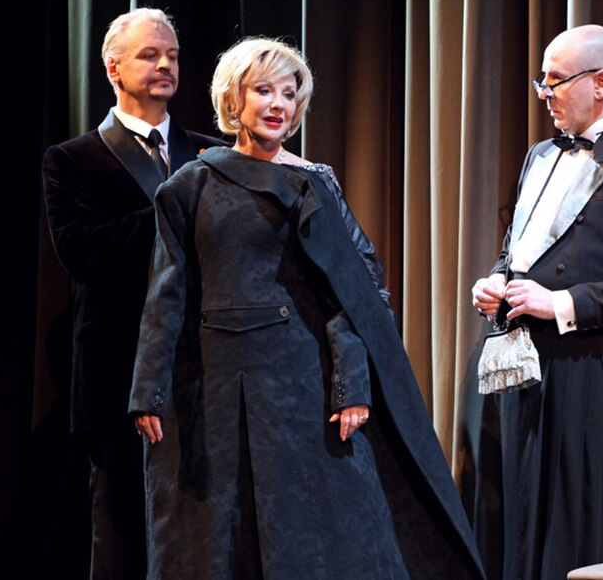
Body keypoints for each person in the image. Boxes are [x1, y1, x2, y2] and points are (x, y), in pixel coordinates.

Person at [128, 37, 485, 579]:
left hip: (301, 390)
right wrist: (148, 390)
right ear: (234, 99)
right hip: (214, 390)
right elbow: (167, 293)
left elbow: (346, 297)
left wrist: (352, 387)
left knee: (318, 538)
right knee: (217, 540)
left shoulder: (311, 185)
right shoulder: (188, 187)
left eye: (289, 94)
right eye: (263, 91)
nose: (278, 104)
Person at [470, 24, 603, 578]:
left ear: (601, 82)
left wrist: (560, 302)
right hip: (528, 368)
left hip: (592, 371)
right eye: (541, 79)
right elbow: (519, 249)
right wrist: (496, 281)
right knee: (523, 521)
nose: (544, 92)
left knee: (579, 525)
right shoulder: (539, 155)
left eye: (557, 80)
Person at [41, 8, 224, 579]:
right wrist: (175, 209)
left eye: (173, 55)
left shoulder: (212, 156)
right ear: (113, 67)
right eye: (150, 54)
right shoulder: (72, 159)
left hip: (205, 367)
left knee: (202, 534)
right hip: (116, 374)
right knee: (121, 532)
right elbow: (82, 254)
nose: (166, 64)